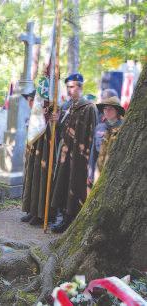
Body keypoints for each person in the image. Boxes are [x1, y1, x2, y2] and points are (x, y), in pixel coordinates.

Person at [50, 73, 98, 233]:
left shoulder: (89, 107)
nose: (69, 90)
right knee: (63, 184)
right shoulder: (67, 106)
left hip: (79, 158)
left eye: (72, 87)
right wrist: (56, 122)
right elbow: (63, 132)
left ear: (80, 87)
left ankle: (71, 220)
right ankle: (63, 217)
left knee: (75, 186)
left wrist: (90, 161)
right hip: (65, 154)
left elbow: (92, 134)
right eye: (67, 87)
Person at [20, 82, 55, 226]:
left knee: (40, 180)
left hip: (44, 155)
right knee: (31, 179)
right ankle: (32, 210)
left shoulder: (45, 118)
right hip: (33, 154)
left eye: (31, 99)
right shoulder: (34, 117)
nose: (29, 102)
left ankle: (41, 213)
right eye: (28, 100)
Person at [88, 96, 124, 186]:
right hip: (99, 172)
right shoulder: (99, 127)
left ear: (117, 111)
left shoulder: (124, 128)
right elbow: (93, 153)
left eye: (111, 109)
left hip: (115, 174)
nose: (107, 111)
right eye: (105, 108)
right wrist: (90, 173)